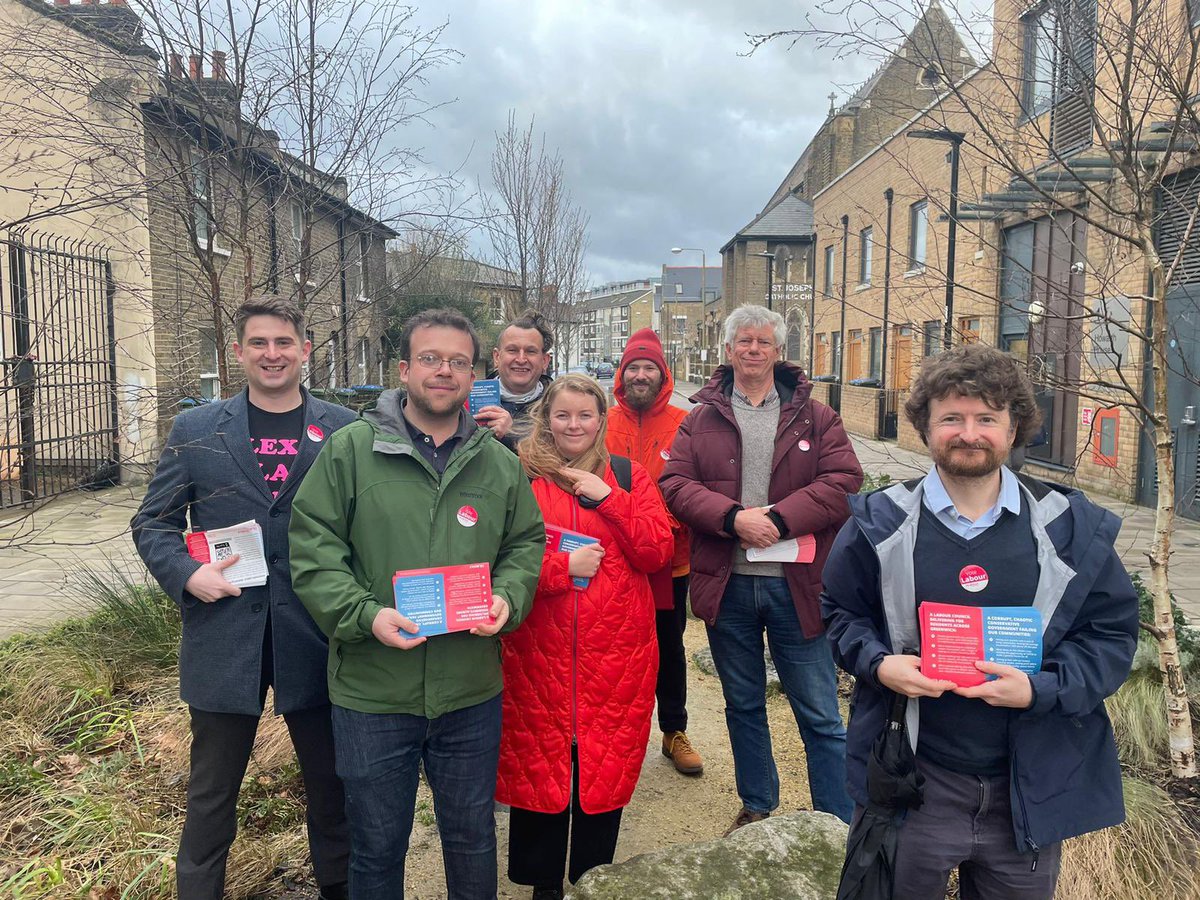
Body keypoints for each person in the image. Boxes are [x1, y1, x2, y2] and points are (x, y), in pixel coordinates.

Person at [821, 344, 1138, 899]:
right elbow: (840, 613)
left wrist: (1043, 689)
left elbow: (1110, 635)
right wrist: (879, 664)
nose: (969, 433)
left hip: (1026, 787)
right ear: (925, 428)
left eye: (986, 418)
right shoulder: (880, 523)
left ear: (1014, 427)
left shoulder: (1068, 530)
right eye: (952, 418)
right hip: (914, 782)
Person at [287, 308, 545, 900]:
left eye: (457, 361)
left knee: (472, 838)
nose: (443, 371)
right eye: (430, 358)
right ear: (404, 369)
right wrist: (364, 615)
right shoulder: (351, 452)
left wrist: (508, 596)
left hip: (469, 689)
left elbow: (525, 543)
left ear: (473, 374)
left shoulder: (498, 462)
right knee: (376, 847)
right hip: (373, 691)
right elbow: (314, 549)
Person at [131, 296, 354, 900]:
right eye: (259, 343)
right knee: (210, 799)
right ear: (238, 353)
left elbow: (365, 528)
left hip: (316, 637)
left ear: (306, 350)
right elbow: (152, 522)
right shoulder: (198, 428)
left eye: (284, 343)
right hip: (225, 636)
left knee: (333, 794)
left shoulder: (344, 430)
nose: (272, 354)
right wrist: (187, 575)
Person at [660, 303, 861, 835]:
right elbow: (675, 486)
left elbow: (843, 482)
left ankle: (835, 820)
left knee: (819, 712)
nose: (753, 349)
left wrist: (776, 519)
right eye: (743, 341)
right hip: (728, 586)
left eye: (762, 341)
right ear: (728, 351)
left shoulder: (817, 418)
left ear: (778, 352)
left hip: (798, 585)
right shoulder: (700, 418)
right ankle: (758, 805)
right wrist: (733, 519)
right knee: (743, 703)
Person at [497, 374, 672, 900]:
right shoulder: (521, 477)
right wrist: (560, 568)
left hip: (615, 652)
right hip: (537, 649)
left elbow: (657, 551)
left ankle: (594, 879)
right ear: (545, 418)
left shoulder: (628, 476)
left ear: (601, 420)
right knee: (540, 764)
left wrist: (609, 500)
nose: (574, 425)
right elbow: (500, 560)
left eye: (585, 416)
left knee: (603, 764)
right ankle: (542, 883)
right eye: (563, 415)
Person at [605, 327, 703, 775]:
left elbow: (695, 486)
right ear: (622, 375)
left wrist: (658, 527)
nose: (640, 375)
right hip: (611, 560)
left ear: (663, 375)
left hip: (669, 559)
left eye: (649, 368)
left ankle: (673, 730)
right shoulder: (602, 421)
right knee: (610, 646)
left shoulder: (685, 422)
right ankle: (608, 733)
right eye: (633, 368)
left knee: (667, 645)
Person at [489, 310, 554, 447]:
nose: (521, 359)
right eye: (512, 350)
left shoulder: (559, 408)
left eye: (531, 351)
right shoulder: (466, 404)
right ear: (497, 357)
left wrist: (511, 436)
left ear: (545, 361)